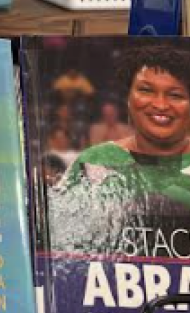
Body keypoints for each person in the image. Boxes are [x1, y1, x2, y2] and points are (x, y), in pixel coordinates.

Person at [49, 44, 190, 254]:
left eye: (176, 95)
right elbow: (59, 240)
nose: (160, 105)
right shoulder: (94, 161)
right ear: (128, 98)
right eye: (146, 90)